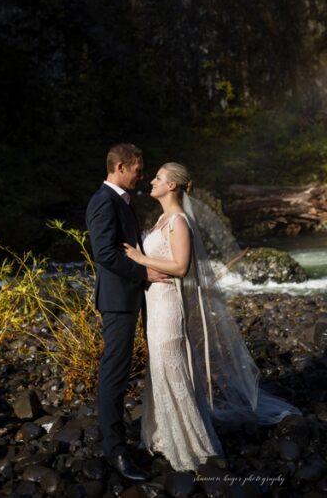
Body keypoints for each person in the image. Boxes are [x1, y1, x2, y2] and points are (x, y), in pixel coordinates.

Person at [124, 162, 299, 471]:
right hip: (155, 306)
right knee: (160, 369)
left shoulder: (178, 221)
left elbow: (180, 266)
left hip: (169, 307)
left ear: (173, 186)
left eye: (158, 178)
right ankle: (164, 434)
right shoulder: (164, 218)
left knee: (173, 369)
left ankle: (193, 444)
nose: (152, 181)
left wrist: (141, 258)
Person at [85, 143, 169, 481]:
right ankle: (115, 451)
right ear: (120, 167)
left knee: (118, 371)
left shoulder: (119, 200)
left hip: (130, 297)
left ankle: (122, 442)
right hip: (118, 300)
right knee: (114, 373)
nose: (142, 174)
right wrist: (145, 273)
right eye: (138, 169)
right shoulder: (103, 201)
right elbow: (104, 253)